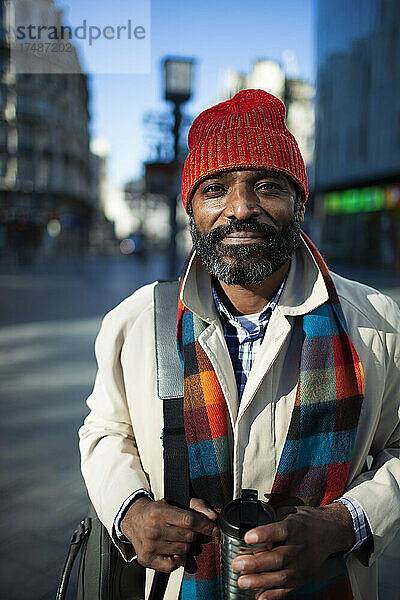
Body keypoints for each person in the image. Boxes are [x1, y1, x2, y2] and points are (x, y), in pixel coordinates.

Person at [79, 89, 400, 600]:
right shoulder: (137, 322)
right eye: (215, 189)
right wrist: (130, 509)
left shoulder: (375, 324)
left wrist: (343, 524)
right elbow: (104, 430)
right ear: (192, 209)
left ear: (298, 201)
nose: (241, 208)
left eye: (267, 186)